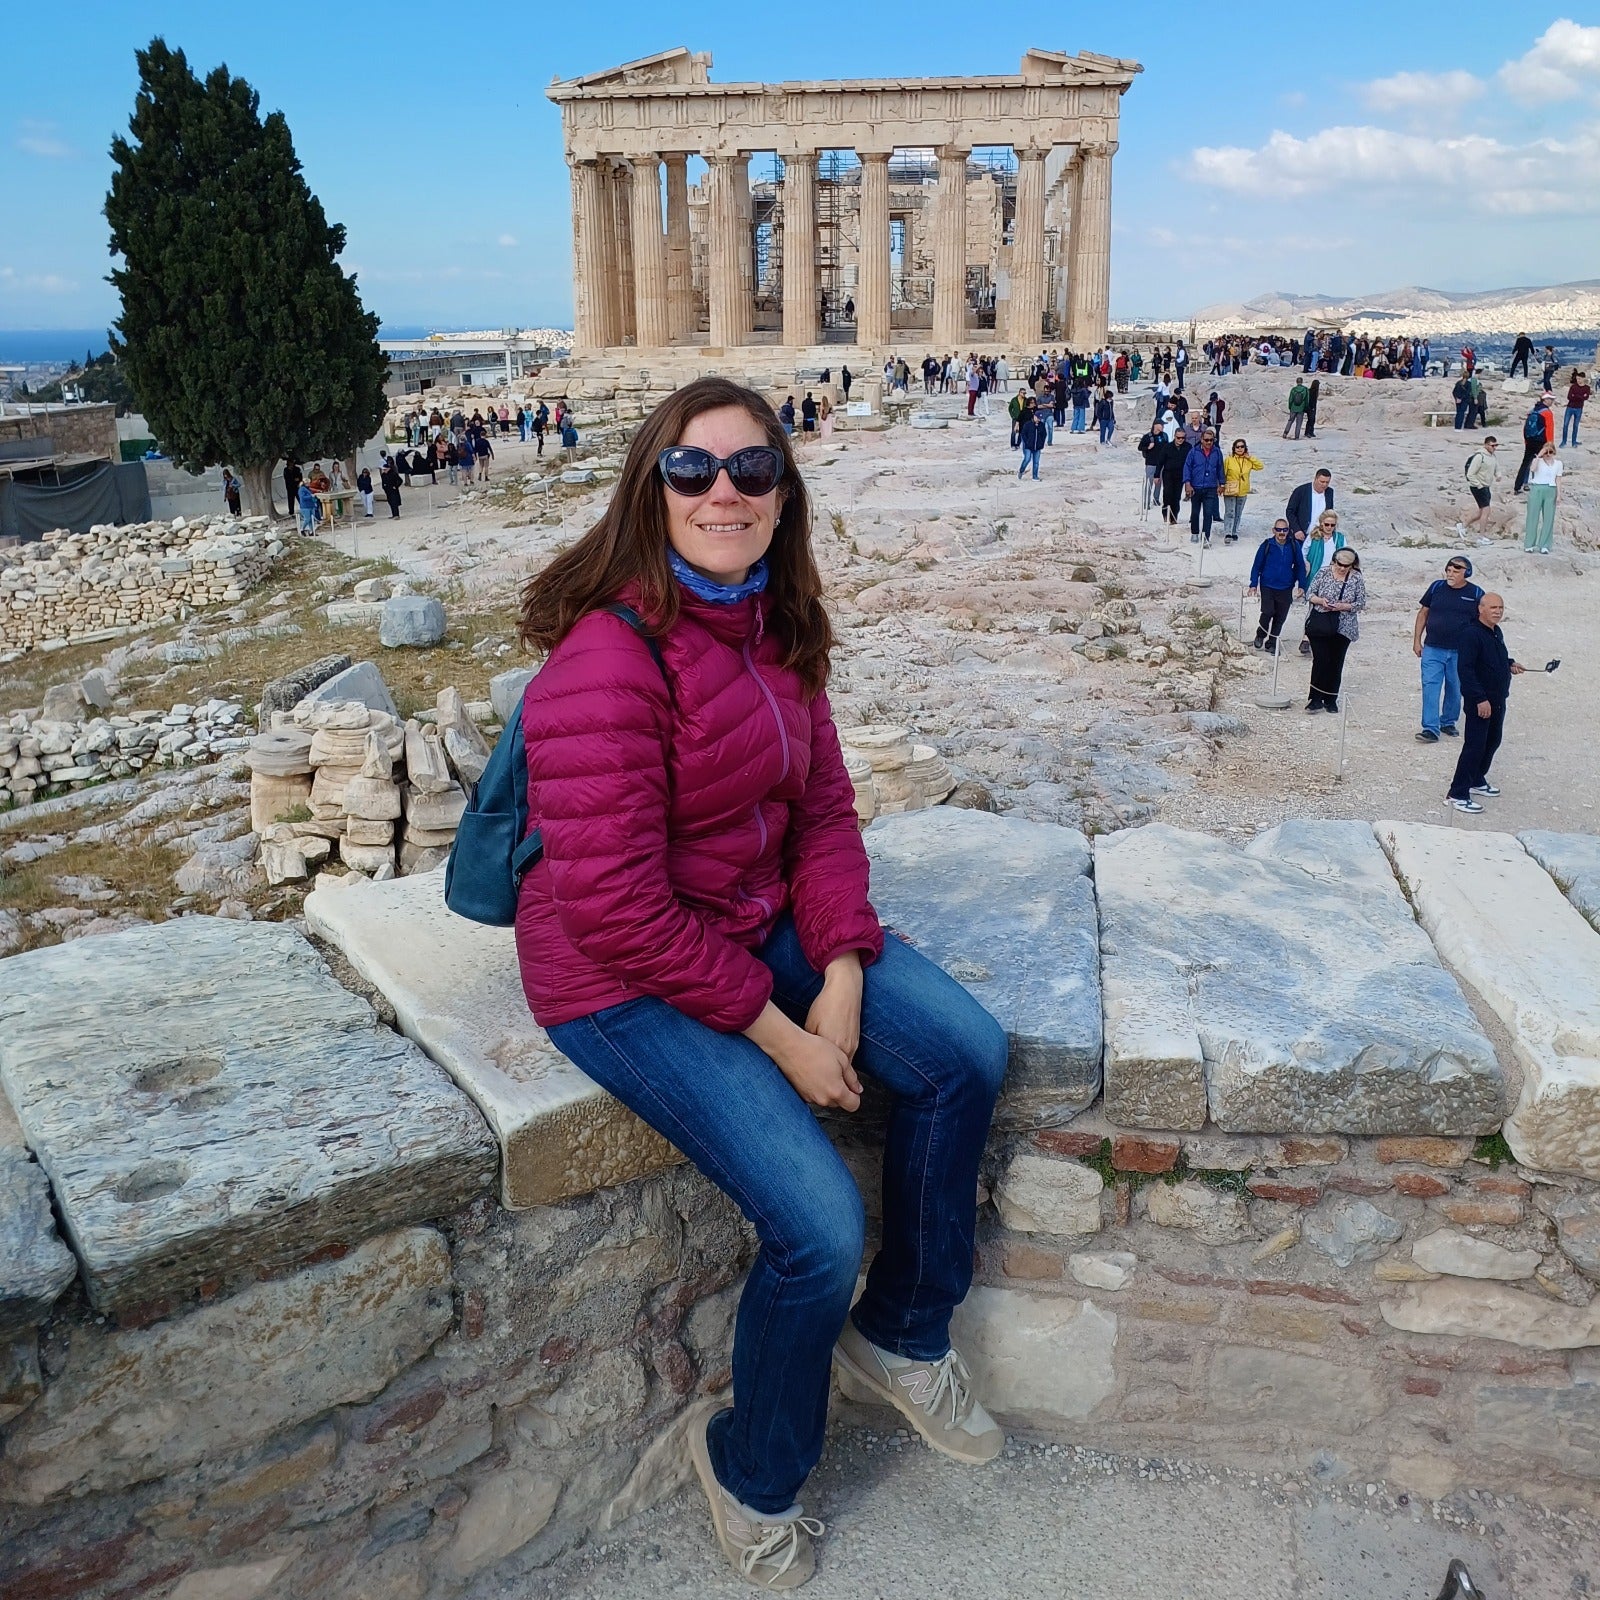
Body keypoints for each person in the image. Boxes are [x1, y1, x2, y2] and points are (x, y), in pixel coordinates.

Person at [514, 375, 1008, 1588]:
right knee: (816, 1227)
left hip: (750, 919)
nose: (722, 492)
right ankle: (752, 1468)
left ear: (784, 497)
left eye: (751, 471)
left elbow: (824, 815)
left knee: (965, 1054)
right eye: (693, 470)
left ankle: (900, 1337)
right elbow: (614, 904)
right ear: (653, 486)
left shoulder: (777, 629)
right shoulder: (605, 657)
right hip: (611, 972)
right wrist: (783, 1037)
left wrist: (838, 967)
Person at [1447, 593, 1525, 812]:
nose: (1498, 611)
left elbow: (1494, 657)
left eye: (1500, 607)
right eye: (1493, 607)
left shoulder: (1495, 632)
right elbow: (1466, 669)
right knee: (1475, 745)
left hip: (1498, 698)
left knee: (1492, 740)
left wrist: (1509, 664)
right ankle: (1457, 793)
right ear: (1481, 608)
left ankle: (1476, 779)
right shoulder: (1470, 634)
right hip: (1481, 701)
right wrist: (1480, 698)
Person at [1412, 556, 1484, 742]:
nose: (1450, 574)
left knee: (1455, 687)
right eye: (1449, 570)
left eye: (1456, 571)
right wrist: (1417, 640)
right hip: (1433, 648)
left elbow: (1482, 622)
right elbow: (1423, 613)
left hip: (1461, 651)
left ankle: (1448, 721)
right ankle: (1430, 728)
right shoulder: (1437, 587)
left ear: (1466, 573)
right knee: (1430, 686)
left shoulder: (1476, 593)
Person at [1304, 547, 1365, 712]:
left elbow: (1360, 603)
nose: (1343, 568)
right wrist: (1322, 601)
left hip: (1344, 626)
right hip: (1321, 622)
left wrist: (1342, 606)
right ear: (1334, 561)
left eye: (1347, 565)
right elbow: (1310, 594)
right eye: (1340, 564)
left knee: (1336, 662)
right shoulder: (1323, 573)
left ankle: (1331, 699)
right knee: (1320, 660)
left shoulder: (1356, 578)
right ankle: (1315, 698)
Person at [1248, 518, 1308, 652]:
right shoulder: (1267, 545)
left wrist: (1301, 585)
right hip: (1267, 585)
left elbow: (1300, 566)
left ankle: (1272, 642)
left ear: (1288, 531)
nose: (1282, 532)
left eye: (1284, 530)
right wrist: (1253, 583)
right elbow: (1257, 565)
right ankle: (1260, 634)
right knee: (1268, 611)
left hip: (1286, 586)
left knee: (1280, 616)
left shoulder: (1293, 545)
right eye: (1279, 530)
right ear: (1273, 530)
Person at [1182, 427, 1226, 545]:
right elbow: (1187, 467)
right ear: (1201, 440)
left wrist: (1222, 483)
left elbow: (1220, 468)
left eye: (1211, 440)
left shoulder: (1217, 452)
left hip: (1210, 487)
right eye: (1206, 440)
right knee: (1195, 512)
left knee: (1208, 513)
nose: (1209, 442)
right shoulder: (1193, 452)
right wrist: (1187, 483)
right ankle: (1195, 532)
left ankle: (1206, 537)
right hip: (1196, 486)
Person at [1220, 438, 1264, 544]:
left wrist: (1250, 457)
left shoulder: (1248, 460)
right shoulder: (1229, 460)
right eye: (1237, 447)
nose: (1239, 449)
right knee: (1230, 512)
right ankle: (1228, 532)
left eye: (1242, 447)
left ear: (1245, 448)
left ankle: (1234, 531)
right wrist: (1221, 485)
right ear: (1234, 448)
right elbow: (1223, 473)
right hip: (1231, 488)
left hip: (1243, 490)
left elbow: (1260, 466)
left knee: (1238, 512)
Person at [1524, 441, 1563, 553]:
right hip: (1537, 488)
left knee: (1549, 518)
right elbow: (1532, 469)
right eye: (1547, 451)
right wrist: (1539, 455)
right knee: (1532, 516)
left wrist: (1559, 495)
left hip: (1551, 489)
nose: (1548, 454)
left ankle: (1545, 544)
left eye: (1551, 452)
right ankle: (1529, 544)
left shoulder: (1558, 464)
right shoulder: (1538, 461)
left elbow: (1558, 479)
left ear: (1554, 452)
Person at [1512, 397, 1553, 493]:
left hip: (1530, 441)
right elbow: (1549, 430)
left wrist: (1526, 440)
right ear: (1545, 400)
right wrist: (1550, 444)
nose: (1552, 401)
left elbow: (1526, 427)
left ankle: (1517, 487)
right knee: (1544, 464)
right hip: (1541, 442)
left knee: (1525, 464)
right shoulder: (1547, 413)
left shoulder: (1533, 410)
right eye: (1550, 399)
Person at [1285, 468, 1334, 544]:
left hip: (1320, 536)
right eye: (1322, 481)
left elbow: (1329, 513)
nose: (1324, 485)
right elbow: (1290, 511)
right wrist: (1296, 529)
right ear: (1315, 479)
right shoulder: (1301, 491)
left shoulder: (1330, 492)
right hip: (1301, 536)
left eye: (1327, 482)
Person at [1463, 437, 1500, 533]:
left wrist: (1498, 475)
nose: (1495, 448)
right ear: (1486, 445)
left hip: (1486, 486)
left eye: (1496, 445)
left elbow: (1496, 467)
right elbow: (1470, 474)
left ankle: (1463, 526)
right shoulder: (1479, 457)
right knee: (1486, 511)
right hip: (1478, 487)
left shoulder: (1493, 456)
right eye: (1492, 445)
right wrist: (1479, 485)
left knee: (1481, 512)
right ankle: (1482, 536)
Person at [1017, 398, 1047, 480]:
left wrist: (1041, 443)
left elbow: (1044, 435)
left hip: (1037, 446)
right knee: (1027, 459)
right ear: (1034, 416)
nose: (1038, 420)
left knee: (1036, 462)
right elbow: (1023, 433)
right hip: (1028, 445)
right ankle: (1021, 470)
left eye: (1040, 418)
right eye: (1037, 418)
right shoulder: (1028, 424)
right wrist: (1026, 442)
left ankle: (1035, 476)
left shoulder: (1041, 425)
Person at [1562, 372, 1591, 447]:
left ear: (1583, 378)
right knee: (1565, 425)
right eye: (1577, 379)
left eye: (1580, 379)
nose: (1578, 380)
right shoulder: (1573, 386)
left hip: (1579, 408)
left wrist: (1575, 396)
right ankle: (1564, 441)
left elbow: (1586, 398)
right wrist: (1580, 396)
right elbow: (1569, 397)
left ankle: (1574, 442)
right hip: (1570, 407)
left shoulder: (1587, 388)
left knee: (1576, 426)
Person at [379, 452, 402, 519]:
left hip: (393, 490)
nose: (384, 470)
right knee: (390, 502)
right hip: (387, 490)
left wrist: (396, 486)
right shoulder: (383, 475)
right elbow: (383, 482)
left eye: (385, 469)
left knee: (394, 502)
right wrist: (384, 487)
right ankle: (393, 514)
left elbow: (400, 480)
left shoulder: (393, 474)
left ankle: (397, 515)